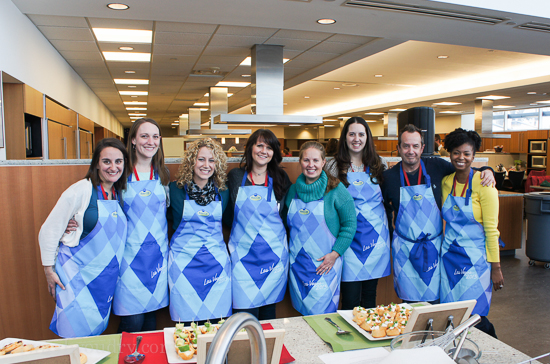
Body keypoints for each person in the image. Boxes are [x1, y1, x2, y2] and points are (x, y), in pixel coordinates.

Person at [381, 125, 495, 303]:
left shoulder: (437, 167)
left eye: (415, 146)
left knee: (435, 302)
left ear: (422, 148)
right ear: (398, 148)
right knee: (409, 304)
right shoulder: (388, 178)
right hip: (405, 250)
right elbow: (385, 213)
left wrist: (488, 170)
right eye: (406, 146)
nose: (411, 151)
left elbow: (464, 166)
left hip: (434, 248)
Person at [39, 138, 129, 338]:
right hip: (75, 276)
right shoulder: (82, 189)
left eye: (118, 161)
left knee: (95, 334)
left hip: (102, 277)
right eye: (107, 161)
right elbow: (49, 229)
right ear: (96, 163)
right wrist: (48, 270)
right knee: (75, 335)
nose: (113, 167)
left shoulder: (117, 193)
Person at [440, 128, 503, 338]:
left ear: (474, 156)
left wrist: (496, 268)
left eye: (467, 153)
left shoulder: (485, 185)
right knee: (451, 314)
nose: (461, 158)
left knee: (476, 316)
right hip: (449, 259)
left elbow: (492, 231)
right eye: (456, 152)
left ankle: (491, 350)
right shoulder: (446, 181)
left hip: (476, 263)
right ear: (449, 154)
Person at [223, 129, 292, 320]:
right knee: (243, 317)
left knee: (268, 316)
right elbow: (228, 215)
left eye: (269, 147)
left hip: (273, 257)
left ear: (274, 152)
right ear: (250, 148)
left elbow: (285, 216)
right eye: (259, 145)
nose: (264, 151)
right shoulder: (236, 176)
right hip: (243, 259)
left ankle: (266, 351)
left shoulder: (281, 179)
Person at [282, 141, 356, 315]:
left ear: (323, 162)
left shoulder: (337, 191)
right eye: (306, 160)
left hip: (326, 266)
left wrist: (335, 254)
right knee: (302, 316)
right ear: (300, 162)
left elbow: (350, 225)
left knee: (324, 318)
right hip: (299, 266)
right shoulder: (292, 191)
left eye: (315, 160)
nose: (311, 165)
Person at [325, 117, 390, 310]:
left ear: (367, 137)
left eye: (361, 134)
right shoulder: (333, 166)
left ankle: (369, 336)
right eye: (351, 134)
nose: (356, 138)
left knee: (370, 297)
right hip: (348, 240)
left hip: (375, 239)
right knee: (350, 298)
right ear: (344, 137)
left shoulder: (380, 164)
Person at [114, 118, 170, 332]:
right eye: (144, 136)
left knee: (151, 322)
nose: (151, 141)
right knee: (133, 321)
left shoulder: (162, 174)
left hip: (156, 256)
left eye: (155, 136)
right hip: (129, 258)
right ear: (134, 141)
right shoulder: (121, 174)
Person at [167, 138, 231, 323]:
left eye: (211, 160)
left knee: (216, 325)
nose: (206, 165)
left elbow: (230, 220)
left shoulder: (224, 192)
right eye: (201, 159)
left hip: (216, 266)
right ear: (191, 162)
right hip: (184, 265)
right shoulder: (175, 190)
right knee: (185, 326)